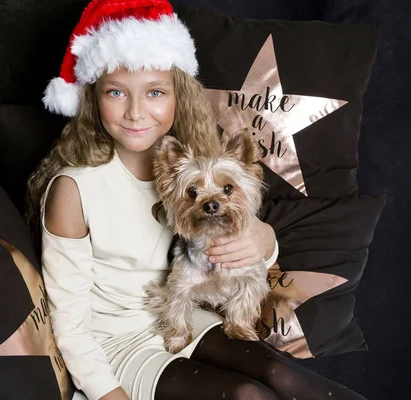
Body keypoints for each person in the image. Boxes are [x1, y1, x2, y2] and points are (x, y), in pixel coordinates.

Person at [27, 1, 366, 399]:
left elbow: (246, 245)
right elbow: (67, 321)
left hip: (191, 318)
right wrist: (106, 393)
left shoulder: (196, 164)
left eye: (155, 92)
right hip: (117, 345)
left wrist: (264, 237)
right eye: (116, 92)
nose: (136, 112)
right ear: (91, 98)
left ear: (179, 96)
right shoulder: (75, 189)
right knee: (247, 395)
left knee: (285, 375)